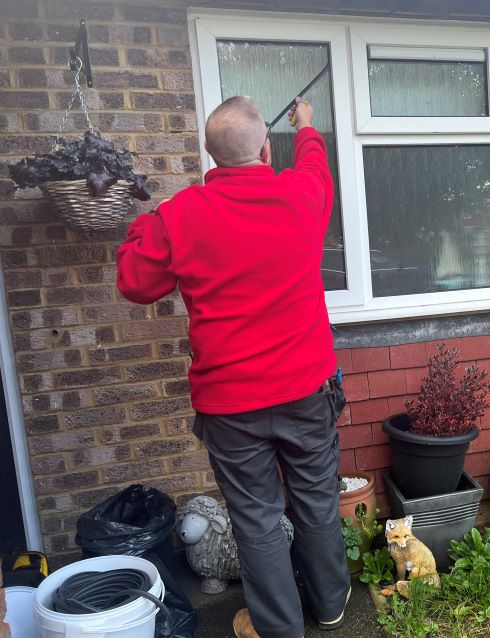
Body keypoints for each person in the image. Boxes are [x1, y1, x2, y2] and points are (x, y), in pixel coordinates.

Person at [116, 95, 350, 638]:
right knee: (316, 502)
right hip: (305, 392)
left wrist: (145, 222)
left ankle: (280, 628)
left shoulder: (179, 215)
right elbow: (316, 165)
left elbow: (135, 282)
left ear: (209, 155)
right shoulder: (300, 193)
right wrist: (308, 126)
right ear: (267, 149)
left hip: (230, 406)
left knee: (256, 521)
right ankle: (332, 606)